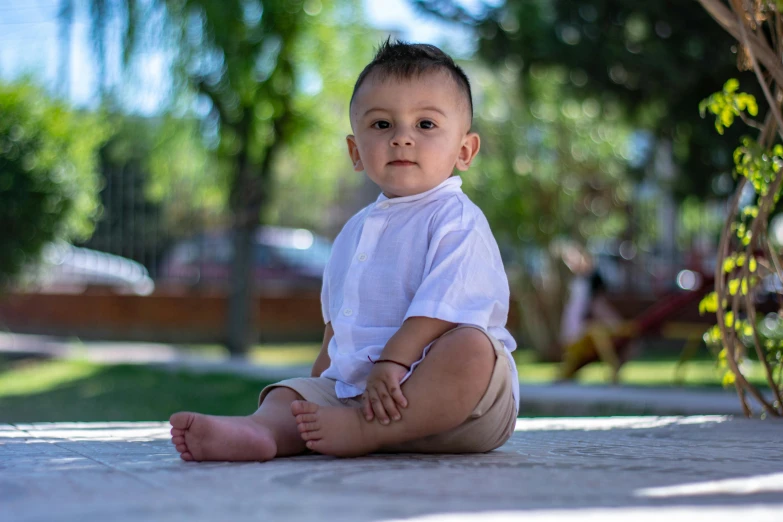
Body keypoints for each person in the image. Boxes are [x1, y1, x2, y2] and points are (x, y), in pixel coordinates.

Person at [169, 39, 519, 461]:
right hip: (367, 392)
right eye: (382, 125)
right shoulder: (354, 233)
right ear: (356, 151)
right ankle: (260, 432)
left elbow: (443, 308)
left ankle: (365, 431)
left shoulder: (455, 219)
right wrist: (317, 388)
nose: (402, 139)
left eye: (425, 125)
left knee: (472, 349)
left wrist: (393, 363)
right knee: (289, 393)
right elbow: (338, 327)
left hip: (461, 408)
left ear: (465, 150)